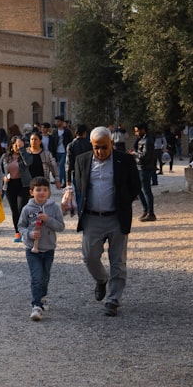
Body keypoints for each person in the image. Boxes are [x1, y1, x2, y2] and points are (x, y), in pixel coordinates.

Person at [74, 126, 140, 317]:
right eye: (96, 147)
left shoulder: (124, 160)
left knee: (118, 261)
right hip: (93, 218)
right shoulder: (82, 160)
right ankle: (102, 279)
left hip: (116, 218)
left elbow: (135, 186)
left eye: (104, 147)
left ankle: (113, 300)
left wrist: (121, 202)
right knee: (89, 256)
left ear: (111, 143)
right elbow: (81, 185)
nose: (100, 152)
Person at [17, 176, 65, 321]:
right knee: (36, 277)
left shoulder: (54, 208)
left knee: (45, 276)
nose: (41, 192)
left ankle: (43, 296)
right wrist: (29, 234)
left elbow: (61, 226)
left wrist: (48, 220)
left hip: (48, 248)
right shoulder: (27, 209)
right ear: (32, 192)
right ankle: (36, 305)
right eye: (38, 190)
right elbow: (21, 226)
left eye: (45, 190)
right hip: (32, 249)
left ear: (49, 192)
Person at [0, 136, 30, 243]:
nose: (18, 147)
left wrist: (22, 150)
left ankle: (24, 231)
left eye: (20, 144)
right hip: (10, 185)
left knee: (21, 207)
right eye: (16, 145)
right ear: (12, 145)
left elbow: (29, 163)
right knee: (14, 210)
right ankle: (17, 232)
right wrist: (3, 177)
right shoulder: (5, 157)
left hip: (23, 184)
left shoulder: (25, 155)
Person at [132, 122, 157, 221]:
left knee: (146, 190)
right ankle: (145, 210)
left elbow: (145, 156)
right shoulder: (142, 139)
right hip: (140, 167)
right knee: (138, 189)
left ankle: (151, 213)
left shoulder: (148, 140)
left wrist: (134, 154)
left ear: (143, 130)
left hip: (145, 168)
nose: (136, 133)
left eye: (137, 131)